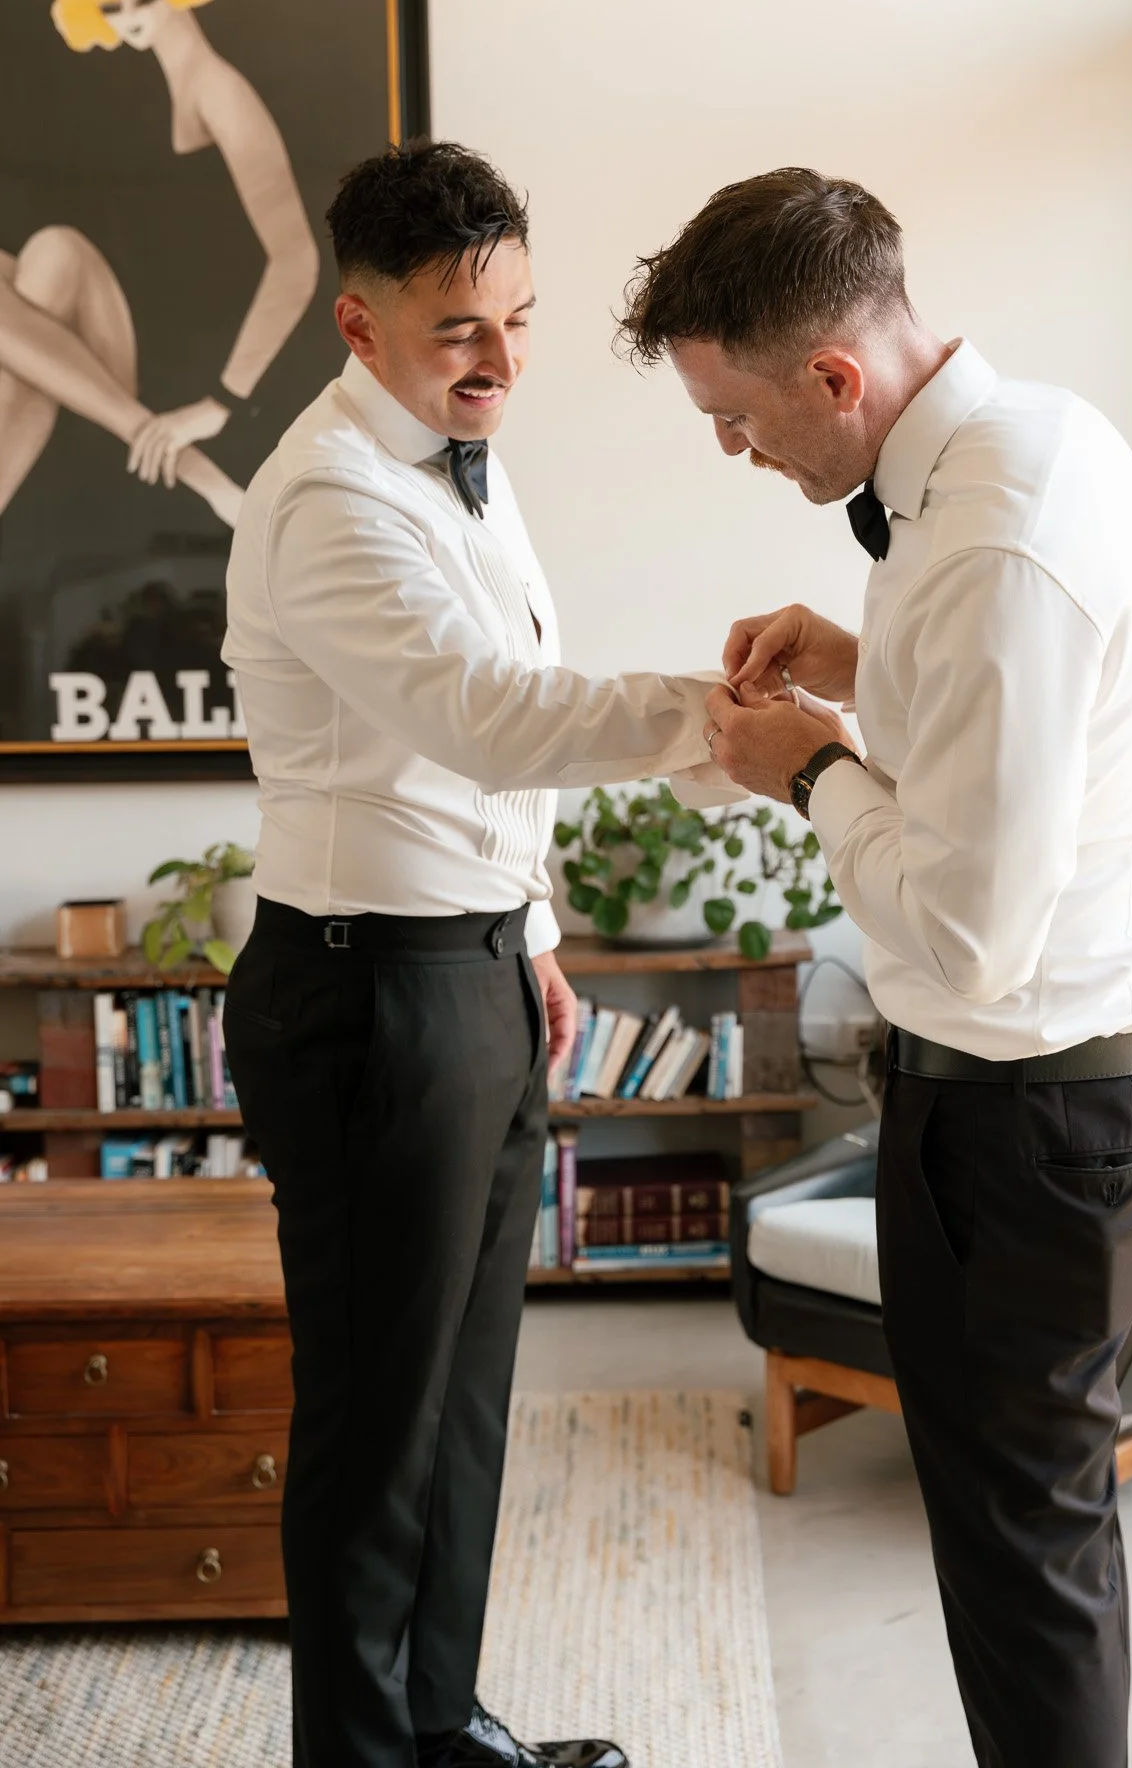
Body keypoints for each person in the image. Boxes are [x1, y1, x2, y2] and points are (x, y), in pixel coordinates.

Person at [618, 166, 1132, 1768]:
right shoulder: (1039, 445)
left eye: (737, 418)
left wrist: (805, 769)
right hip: (1070, 1095)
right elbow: (1019, 731)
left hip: (1027, 1129)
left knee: (1024, 1578)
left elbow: (964, 925)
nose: (736, 453)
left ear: (833, 378)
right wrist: (858, 669)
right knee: (1037, 1557)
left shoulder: (991, 541)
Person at [223, 139, 717, 1768]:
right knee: (376, 1429)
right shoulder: (323, 502)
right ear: (358, 328)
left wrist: (542, 933)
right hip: (370, 993)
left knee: (465, 1406)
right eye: (461, 333)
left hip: (476, 969)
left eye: (519, 320)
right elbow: (484, 715)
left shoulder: (460, 456)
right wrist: (722, 722)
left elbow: (483, 734)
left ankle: (441, 1727)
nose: (503, 363)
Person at [0, 0, 320, 527]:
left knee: (55, 254)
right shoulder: (141, 94)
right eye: (111, 8)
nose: (129, 20)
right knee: (47, 261)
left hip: (183, 360)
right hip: (110, 342)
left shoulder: (221, 91)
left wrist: (220, 401)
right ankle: (201, 476)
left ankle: (194, 460)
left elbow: (297, 260)